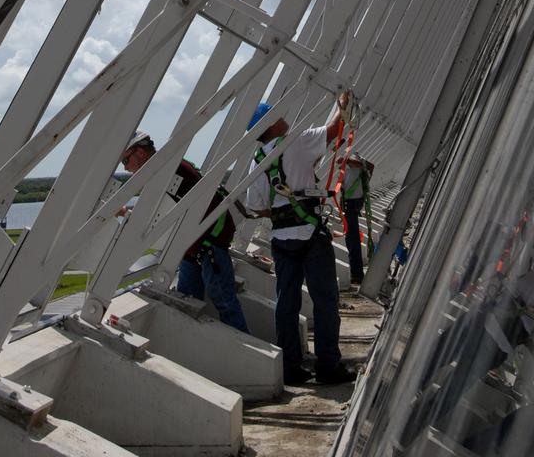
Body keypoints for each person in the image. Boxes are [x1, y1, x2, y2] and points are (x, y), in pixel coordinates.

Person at [407, 200, 534, 438]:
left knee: (440, 355)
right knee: (454, 385)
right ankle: (409, 428)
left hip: (491, 326)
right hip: (499, 339)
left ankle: (406, 401)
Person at [246, 95, 357, 387]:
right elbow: (334, 130)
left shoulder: (257, 162)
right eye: (278, 115)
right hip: (309, 236)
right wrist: (343, 102)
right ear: (270, 124)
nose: (285, 118)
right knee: (325, 300)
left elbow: (255, 206)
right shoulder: (295, 141)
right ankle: (328, 366)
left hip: (281, 239)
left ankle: (291, 367)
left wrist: (283, 209)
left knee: (287, 303)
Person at [119, 133, 249, 333]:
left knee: (224, 302)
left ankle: (245, 355)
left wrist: (126, 214)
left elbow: (155, 216)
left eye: (126, 160)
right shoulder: (171, 167)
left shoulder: (166, 172)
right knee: (188, 301)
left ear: (141, 153)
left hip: (206, 244)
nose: (125, 167)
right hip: (195, 247)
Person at [339, 152, 374, 285]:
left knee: (352, 239)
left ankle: (357, 273)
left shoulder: (353, 158)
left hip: (352, 204)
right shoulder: (347, 162)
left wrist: (346, 160)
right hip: (349, 203)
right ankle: (356, 272)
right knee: (351, 238)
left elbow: (366, 165)